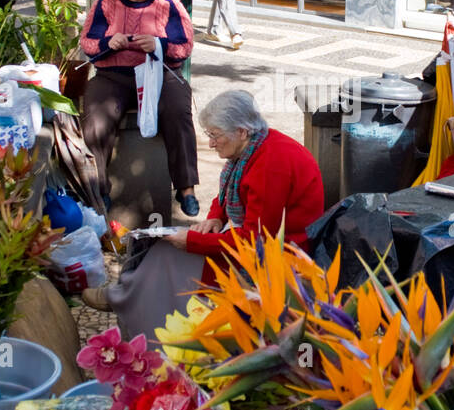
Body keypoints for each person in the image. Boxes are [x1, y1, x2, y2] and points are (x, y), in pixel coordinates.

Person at [96, 89, 325, 341]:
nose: (211, 143)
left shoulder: (272, 164)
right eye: (209, 134)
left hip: (275, 257)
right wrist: (216, 216)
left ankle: (148, 324)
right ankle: (127, 300)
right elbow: (226, 196)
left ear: (241, 131)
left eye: (215, 135)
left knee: (169, 255)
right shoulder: (251, 147)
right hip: (253, 241)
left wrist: (193, 242)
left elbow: (254, 241)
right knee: (162, 250)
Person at [79, 0, 201, 218]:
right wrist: (108, 44)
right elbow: (88, 44)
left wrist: (159, 44)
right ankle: (98, 190)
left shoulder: (168, 3)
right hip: (114, 76)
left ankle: (186, 188)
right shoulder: (106, 4)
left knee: (178, 111)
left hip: (161, 73)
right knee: (96, 120)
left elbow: (185, 46)